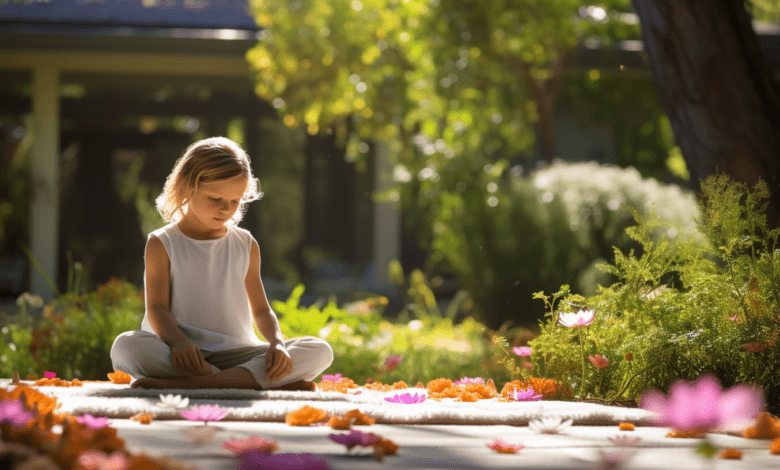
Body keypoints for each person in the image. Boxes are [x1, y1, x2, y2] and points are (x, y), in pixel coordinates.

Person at [111, 137, 333, 390]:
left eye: (234, 201)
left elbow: (261, 311)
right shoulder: (162, 243)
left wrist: (277, 343)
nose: (225, 209)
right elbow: (158, 309)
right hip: (182, 351)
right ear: (187, 187)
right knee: (127, 346)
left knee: (320, 350)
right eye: (215, 199)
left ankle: (195, 384)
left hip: (238, 352)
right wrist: (179, 343)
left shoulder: (245, 243)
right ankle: (251, 381)